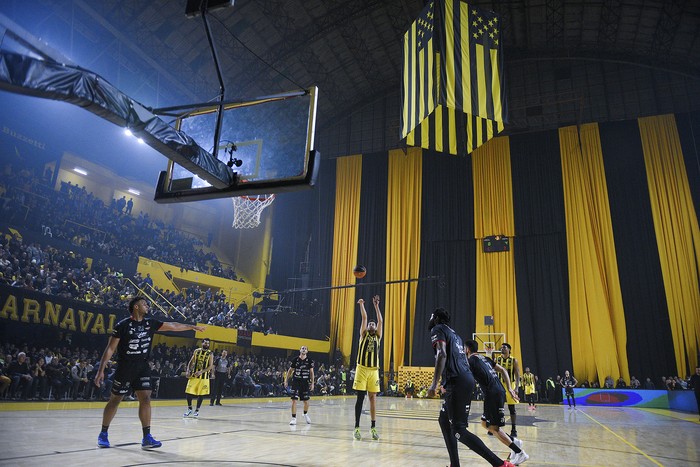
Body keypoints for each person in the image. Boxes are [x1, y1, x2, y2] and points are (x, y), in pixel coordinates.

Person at [94, 296, 205, 450]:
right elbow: (110, 349)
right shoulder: (123, 325)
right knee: (115, 400)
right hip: (125, 367)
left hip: (143, 367)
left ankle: (147, 437)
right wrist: (101, 370)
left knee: (145, 399)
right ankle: (103, 433)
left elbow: (172, 326)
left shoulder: (150, 323)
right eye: (144, 304)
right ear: (136, 307)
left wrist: (191, 327)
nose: (147, 305)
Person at [427, 308, 515, 467]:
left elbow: (442, 354)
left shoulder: (437, 329)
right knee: (443, 419)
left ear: (437, 318)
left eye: (431, 317)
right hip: (464, 379)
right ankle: (455, 464)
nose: (430, 319)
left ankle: (500, 464)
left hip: (457, 382)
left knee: (459, 430)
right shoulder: (456, 336)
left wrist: (434, 384)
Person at [464, 339, 529, 465]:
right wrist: (509, 388)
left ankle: (519, 452)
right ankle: (514, 441)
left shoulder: (470, 361)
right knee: (484, 423)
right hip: (497, 391)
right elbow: (504, 370)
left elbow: (467, 379)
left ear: (467, 350)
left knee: (494, 428)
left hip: (492, 394)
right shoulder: (485, 358)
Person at [352, 295, 383, 441]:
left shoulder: (377, 337)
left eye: (373, 324)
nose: (371, 324)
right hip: (362, 369)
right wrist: (362, 305)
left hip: (374, 371)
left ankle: (373, 428)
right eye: (370, 324)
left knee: (373, 399)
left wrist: (376, 306)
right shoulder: (363, 335)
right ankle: (357, 427)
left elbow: (381, 321)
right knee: (360, 398)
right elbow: (364, 318)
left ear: (375, 328)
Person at [494, 343, 521, 439]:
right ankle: (495, 427)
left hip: (510, 385)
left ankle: (514, 429)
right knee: (497, 407)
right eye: (501, 347)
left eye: (504, 347)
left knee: (511, 408)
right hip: (499, 385)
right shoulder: (497, 359)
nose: (502, 348)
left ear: (509, 349)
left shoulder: (514, 360)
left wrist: (517, 387)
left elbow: (517, 375)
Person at [284, 345, 315, 425]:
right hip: (296, 382)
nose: (304, 349)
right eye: (302, 348)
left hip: (305, 382)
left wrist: (312, 383)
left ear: (307, 351)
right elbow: (290, 371)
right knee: (294, 400)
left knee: (306, 401)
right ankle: (293, 418)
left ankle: (305, 414)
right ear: (300, 350)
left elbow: (311, 373)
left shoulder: (310, 361)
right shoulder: (295, 360)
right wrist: (286, 380)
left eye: (305, 348)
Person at [184, 338, 214, 417]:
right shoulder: (196, 351)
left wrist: (201, 371)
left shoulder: (210, 353)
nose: (207, 344)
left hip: (204, 377)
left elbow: (210, 366)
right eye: (206, 343)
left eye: (208, 343)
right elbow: (191, 361)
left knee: (201, 394)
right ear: (202, 343)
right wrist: (188, 370)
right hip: (194, 375)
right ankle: (189, 409)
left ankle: (197, 410)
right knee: (188, 392)